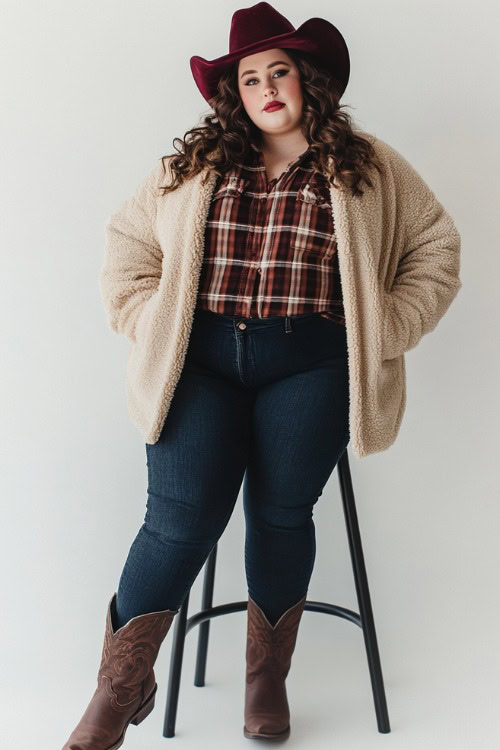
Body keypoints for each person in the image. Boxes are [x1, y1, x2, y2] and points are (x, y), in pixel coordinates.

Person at [61, 2, 462, 747]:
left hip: (308, 360)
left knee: (280, 513)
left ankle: (265, 675)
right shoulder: (192, 168)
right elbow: (126, 247)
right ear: (234, 95)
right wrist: (149, 320)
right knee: (177, 522)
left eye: (280, 72)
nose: (267, 87)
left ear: (307, 82)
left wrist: (386, 329)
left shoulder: (365, 166)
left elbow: (436, 248)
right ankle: (116, 691)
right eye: (251, 78)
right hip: (201, 360)